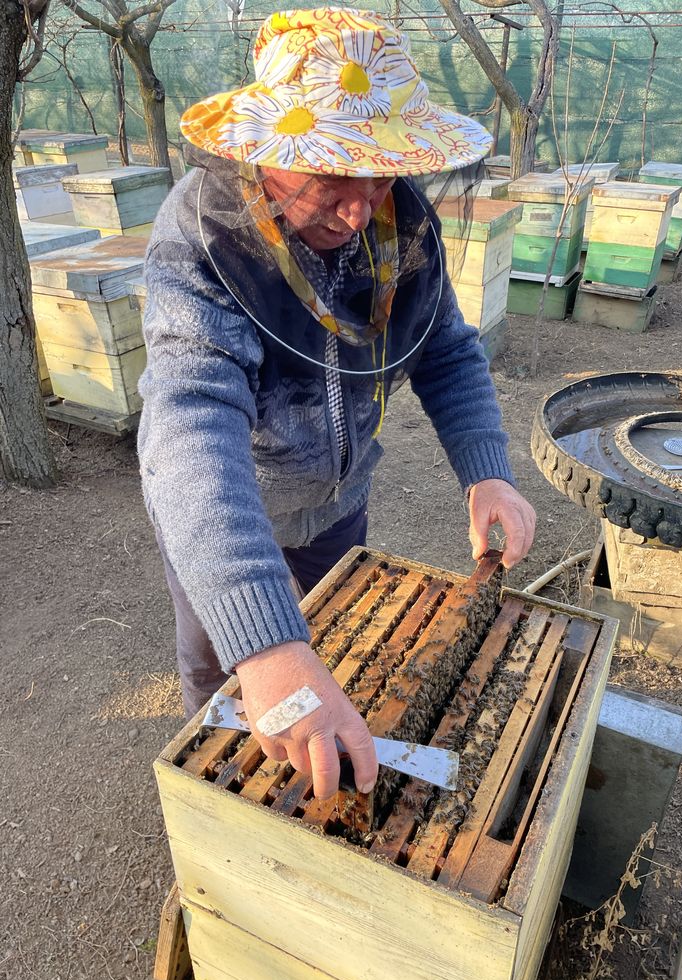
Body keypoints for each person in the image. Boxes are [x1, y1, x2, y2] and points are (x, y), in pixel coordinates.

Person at [138, 6, 536, 803]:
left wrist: (486, 470)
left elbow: (445, 347)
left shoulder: (400, 222)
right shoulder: (201, 239)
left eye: (379, 176)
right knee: (230, 671)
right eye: (332, 179)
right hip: (231, 519)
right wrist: (265, 642)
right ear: (268, 153)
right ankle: (223, 809)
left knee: (329, 650)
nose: (359, 210)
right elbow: (189, 427)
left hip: (340, 508)